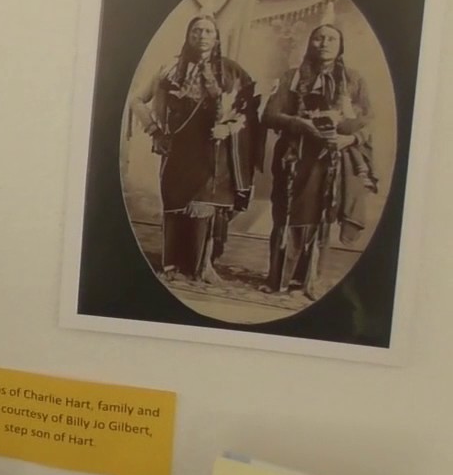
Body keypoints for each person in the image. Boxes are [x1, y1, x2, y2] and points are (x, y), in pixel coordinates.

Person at [129, 15, 263, 284]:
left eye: (208, 31)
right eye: (196, 30)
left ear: (216, 38)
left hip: (215, 149)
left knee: (207, 205)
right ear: (188, 35)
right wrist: (155, 130)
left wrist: (228, 128)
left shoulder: (232, 71)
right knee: (176, 203)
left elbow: (248, 110)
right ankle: (174, 266)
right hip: (179, 146)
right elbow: (137, 100)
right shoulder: (169, 68)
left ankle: (204, 266)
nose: (202, 36)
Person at [262, 23, 376, 299]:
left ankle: (309, 280)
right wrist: (299, 123)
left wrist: (349, 140)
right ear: (310, 43)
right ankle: (279, 279)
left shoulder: (353, 79)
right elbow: (269, 115)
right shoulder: (292, 77)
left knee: (320, 216)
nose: (324, 43)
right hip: (294, 157)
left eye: (331, 38)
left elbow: (368, 121)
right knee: (287, 214)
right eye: (318, 38)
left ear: (340, 45)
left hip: (330, 160)